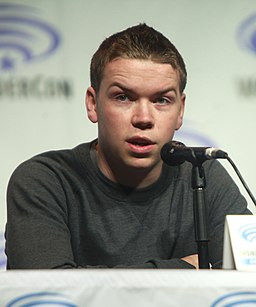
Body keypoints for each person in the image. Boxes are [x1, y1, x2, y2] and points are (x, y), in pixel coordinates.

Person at [5, 23, 250, 270]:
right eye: (123, 97)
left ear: (180, 111)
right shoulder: (46, 182)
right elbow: (48, 295)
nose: (143, 118)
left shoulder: (203, 177)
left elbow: (246, 283)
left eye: (161, 100)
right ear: (92, 104)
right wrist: (185, 269)